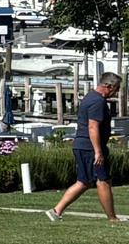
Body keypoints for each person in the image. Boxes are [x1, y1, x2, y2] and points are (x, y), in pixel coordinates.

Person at [49, 71, 123, 222]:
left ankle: (56, 211)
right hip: (89, 147)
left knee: (85, 182)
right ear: (108, 86)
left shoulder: (90, 97)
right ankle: (112, 218)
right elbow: (93, 127)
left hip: (83, 146)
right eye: (116, 88)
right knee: (102, 180)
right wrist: (98, 152)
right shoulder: (98, 101)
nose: (117, 92)